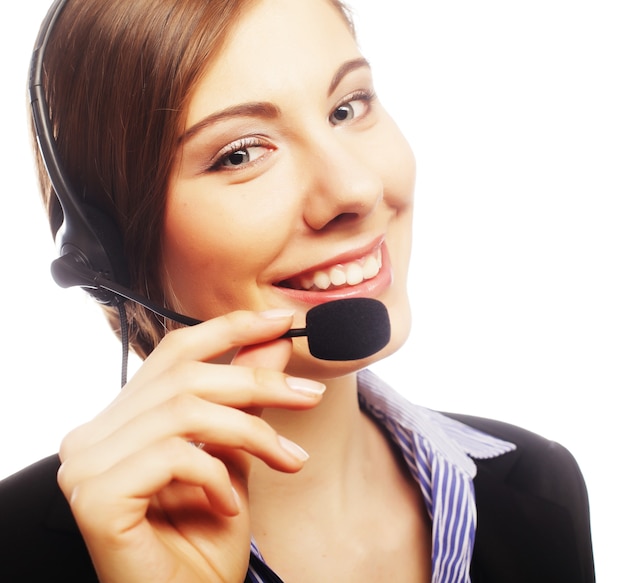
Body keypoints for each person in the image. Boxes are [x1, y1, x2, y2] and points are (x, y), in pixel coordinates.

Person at [0, 0, 594, 581]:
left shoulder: (541, 483)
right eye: (241, 153)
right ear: (109, 250)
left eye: (347, 107)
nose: (355, 190)